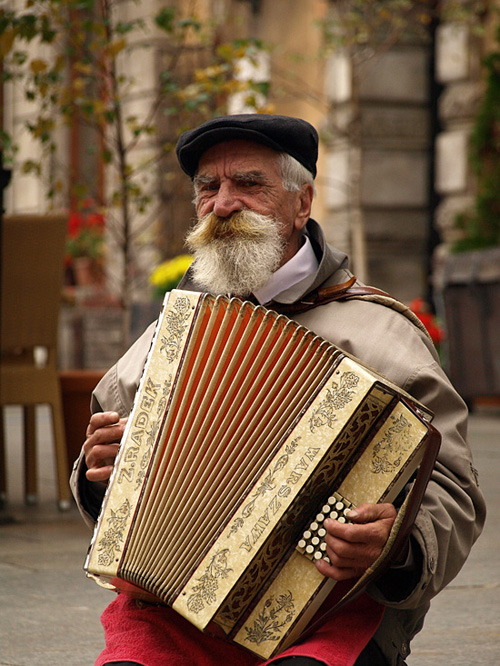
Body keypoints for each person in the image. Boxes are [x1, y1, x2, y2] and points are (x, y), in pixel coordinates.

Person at [71, 114, 486, 666]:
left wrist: (398, 548)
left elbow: (454, 489)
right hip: (170, 609)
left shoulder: (381, 334)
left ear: (302, 203)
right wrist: (100, 474)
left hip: (327, 612)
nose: (222, 204)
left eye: (249, 184)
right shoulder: (172, 330)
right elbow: (109, 476)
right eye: (208, 188)